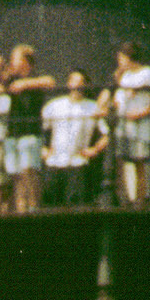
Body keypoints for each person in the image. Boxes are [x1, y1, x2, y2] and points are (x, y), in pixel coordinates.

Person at [0, 41, 55, 213]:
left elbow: (50, 81)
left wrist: (26, 84)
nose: (12, 62)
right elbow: (0, 80)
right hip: (13, 132)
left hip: (30, 132)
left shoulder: (35, 78)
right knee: (16, 175)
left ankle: (33, 207)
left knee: (29, 172)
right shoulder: (11, 79)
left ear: (25, 61)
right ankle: (21, 209)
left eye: (15, 58)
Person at [109, 39, 150, 206]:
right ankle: (124, 198)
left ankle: (141, 200)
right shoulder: (125, 76)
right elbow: (118, 100)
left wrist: (140, 113)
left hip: (141, 128)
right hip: (124, 127)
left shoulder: (148, 73)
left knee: (140, 161)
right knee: (122, 161)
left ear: (128, 57)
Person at [41, 70, 108, 207]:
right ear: (68, 83)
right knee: (51, 205)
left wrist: (94, 149)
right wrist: (43, 150)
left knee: (75, 205)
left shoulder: (92, 107)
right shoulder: (55, 105)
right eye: (73, 81)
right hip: (54, 163)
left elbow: (107, 134)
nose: (76, 85)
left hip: (78, 163)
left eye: (80, 82)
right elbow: (38, 129)